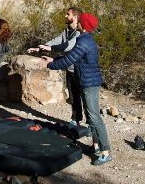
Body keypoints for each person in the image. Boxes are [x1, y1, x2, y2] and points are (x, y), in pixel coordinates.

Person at [37, 13, 112, 166]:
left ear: (82, 25)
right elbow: (71, 56)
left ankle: (106, 151)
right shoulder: (84, 39)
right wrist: (53, 59)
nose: (76, 22)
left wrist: (49, 65)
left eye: (79, 21)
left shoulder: (84, 42)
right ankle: (96, 146)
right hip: (86, 82)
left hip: (90, 84)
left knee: (95, 117)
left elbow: (69, 61)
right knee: (91, 116)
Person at [27, 7, 84, 126]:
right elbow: (56, 41)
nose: (65, 16)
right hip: (70, 68)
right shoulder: (67, 31)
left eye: (67, 14)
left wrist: (51, 49)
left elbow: (68, 46)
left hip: (81, 70)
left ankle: (90, 124)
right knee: (73, 96)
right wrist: (41, 47)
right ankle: (76, 119)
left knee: (85, 97)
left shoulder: (79, 32)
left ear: (74, 17)